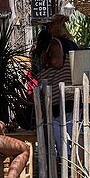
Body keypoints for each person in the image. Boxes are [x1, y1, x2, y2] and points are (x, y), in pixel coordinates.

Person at [35, 14, 75, 154]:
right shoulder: (71, 43)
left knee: (61, 132)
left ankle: (67, 163)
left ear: (57, 26)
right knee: (73, 131)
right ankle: (73, 162)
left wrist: (46, 59)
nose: (48, 28)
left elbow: (57, 63)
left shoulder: (56, 42)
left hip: (60, 94)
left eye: (50, 25)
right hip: (72, 92)